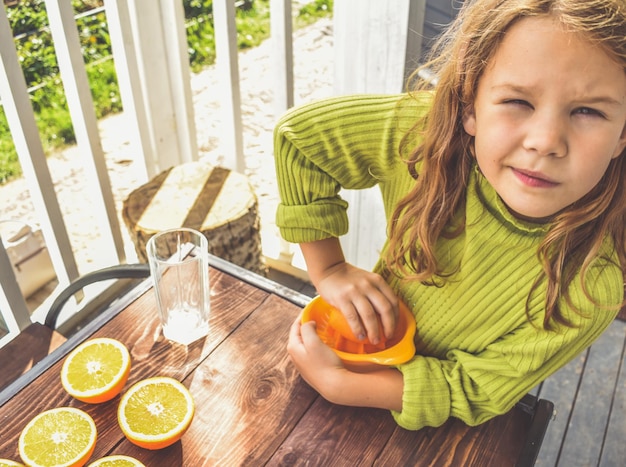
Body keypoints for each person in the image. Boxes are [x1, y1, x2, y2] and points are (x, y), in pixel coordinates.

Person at [273, 0, 626, 431]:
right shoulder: (422, 137)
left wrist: (341, 386)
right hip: (358, 354)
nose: (546, 141)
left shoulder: (592, 284)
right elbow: (299, 139)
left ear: (622, 135)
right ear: (469, 107)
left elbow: (479, 388)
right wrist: (328, 268)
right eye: (517, 101)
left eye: (588, 111)